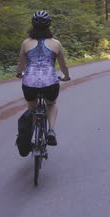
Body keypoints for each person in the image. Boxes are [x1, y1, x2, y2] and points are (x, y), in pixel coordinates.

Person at [16, 10, 70, 146]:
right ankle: (51, 131)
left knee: (31, 108)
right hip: (50, 82)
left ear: (32, 25)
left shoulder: (26, 43)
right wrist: (66, 76)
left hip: (29, 83)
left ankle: (30, 132)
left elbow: (21, 65)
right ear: (49, 26)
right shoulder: (56, 44)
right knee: (51, 104)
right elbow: (63, 65)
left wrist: (19, 74)